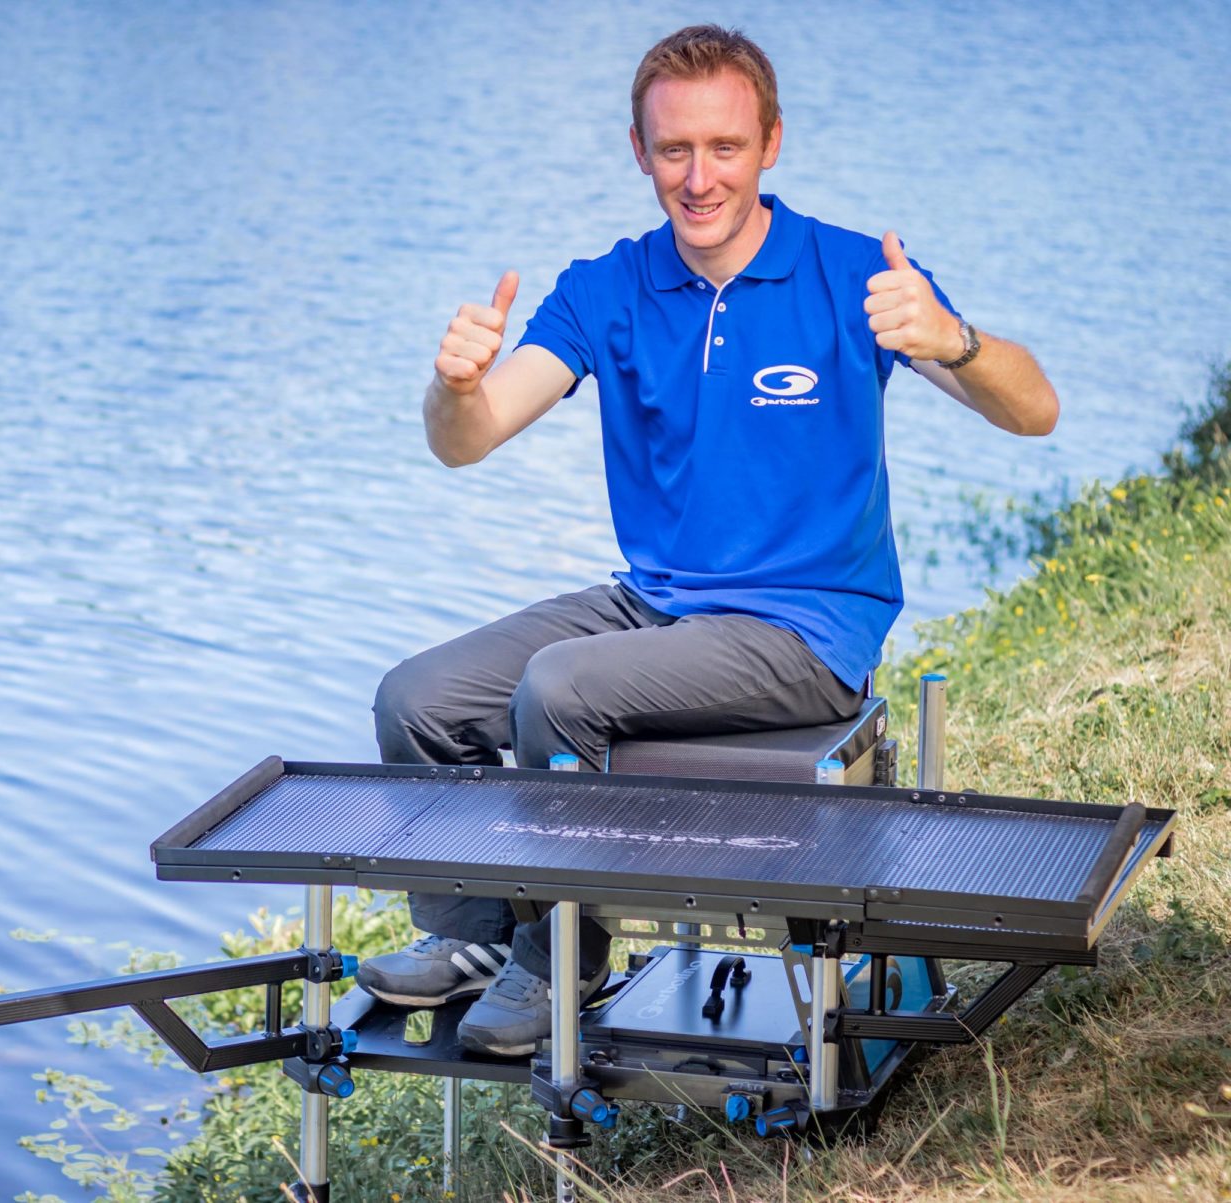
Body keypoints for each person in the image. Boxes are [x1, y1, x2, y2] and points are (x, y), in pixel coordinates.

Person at [357, 24, 1058, 1057]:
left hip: (806, 629)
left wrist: (954, 339)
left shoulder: (859, 276)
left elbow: (1034, 411)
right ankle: (471, 939)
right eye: (674, 150)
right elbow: (471, 440)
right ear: (639, 152)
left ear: (772, 142)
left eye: (724, 147)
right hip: (659, 604)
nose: (699, 177)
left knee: (558, 688)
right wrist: (453, 387)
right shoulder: (606, 288)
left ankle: (564, 956)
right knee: (416, 700)